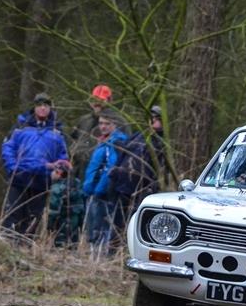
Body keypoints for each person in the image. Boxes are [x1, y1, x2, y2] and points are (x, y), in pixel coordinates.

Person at [1, 93, 69, 237]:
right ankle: (8, 243)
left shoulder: (57, 131)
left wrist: (59, 171)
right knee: (13, 213)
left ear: (50, 108)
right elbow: (8, 148)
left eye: (46, 105)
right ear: (35, 107)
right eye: (39, 105)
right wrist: (13, 167)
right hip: (19, 177)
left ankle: (26, 247)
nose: (43, 109)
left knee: (33, 218)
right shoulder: (21, 126)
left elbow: (63, 156)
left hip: (42, 180)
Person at [109, 105, 167, 238]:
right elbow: (123, 156)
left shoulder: (161, 144)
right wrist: (113, 176)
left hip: (140, 190)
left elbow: (159, 172)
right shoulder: (138, 135)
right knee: (117, 223)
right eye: (152, 118)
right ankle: (112, 252)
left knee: (133, 225)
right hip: (122, 186)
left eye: (157, 119)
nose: (154, 122)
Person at [82, 108, 128, 257]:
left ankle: (100, 258)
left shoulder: (116, 142)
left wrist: (99, 189)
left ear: (114, 125)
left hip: (104, 193)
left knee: (101, 227)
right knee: (93, 228)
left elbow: (111, 168)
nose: (103, 126)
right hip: (93, 191)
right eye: (101, 123)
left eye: (107, 124)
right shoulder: (103, 141)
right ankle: (93, 257)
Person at [68, 84, 131, 181]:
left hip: (103, 175)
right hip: (80, 172)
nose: (97, 103)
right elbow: (73, 141)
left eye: (101, 100)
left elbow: (125, 151)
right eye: (94, 100)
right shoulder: (84, 120)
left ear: (109, 101)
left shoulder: (120, 122)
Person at [47, 160, 85, 247]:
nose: (51, 173)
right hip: (75, 225)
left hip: (61, 226)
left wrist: (49, 226)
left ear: (59, 172)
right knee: (72, 247)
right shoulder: (78, 185)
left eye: (53, 171)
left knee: (59, 248)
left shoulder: (56, 189)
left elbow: (53, 211)